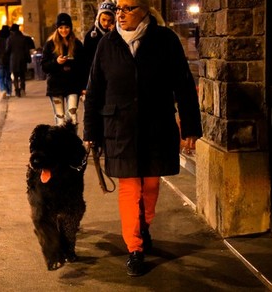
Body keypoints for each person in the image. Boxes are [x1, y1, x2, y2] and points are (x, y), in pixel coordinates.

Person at [83, 0, 203, 277]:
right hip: (119, 128)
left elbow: (184, 84)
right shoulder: (107, 43)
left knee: (150, 184)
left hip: (156, 126)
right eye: (118, 9)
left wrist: (191, 127)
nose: (120, 15)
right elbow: (95, 91)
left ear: (145, 10)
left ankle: (144, 225)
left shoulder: (166, 40)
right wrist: (91, 132)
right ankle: (134, 247)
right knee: (129, 189)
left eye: (127, 9)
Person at [41, 13, 88, 125]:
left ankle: (72, 142)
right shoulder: (50, 44)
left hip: (73, 85)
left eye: (66, 27)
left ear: (70, 28)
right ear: (57, 28)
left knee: (72, 116)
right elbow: (44, 66)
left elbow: (84, 66)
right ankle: (61, 142)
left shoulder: (77, 44)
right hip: (56, 86)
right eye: (61, 27)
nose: (64, 30)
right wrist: (56, 62)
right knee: (60, 118)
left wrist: (84, 86)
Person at [83, 0, 116, 75]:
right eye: (103, 20)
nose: (106, 23)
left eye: (109, 20)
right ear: (98, 17)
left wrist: (114, 33)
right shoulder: (90, 36)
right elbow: (86, 61)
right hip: (96, 74)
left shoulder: (117, 34)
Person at [6, 24, 31, 97]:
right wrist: (28, 59)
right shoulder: (23, 38)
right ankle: (23, 89)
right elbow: (27, 50)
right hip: (22, 59)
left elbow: (7, 50)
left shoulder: (10, 39)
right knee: (22, 76)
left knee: (15, 76)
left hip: (13, 60)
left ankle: (17, 91)